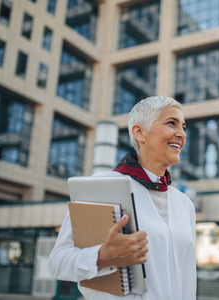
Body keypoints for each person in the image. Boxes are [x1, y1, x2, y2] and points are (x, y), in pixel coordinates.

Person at [47, 96, 197, 300]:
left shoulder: (184, 204)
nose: (181, 134)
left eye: (183, 126)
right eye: (172, 123)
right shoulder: (103, 187)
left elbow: (187, 277)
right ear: (139, 132)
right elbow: (57, 262)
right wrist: (102, 256)